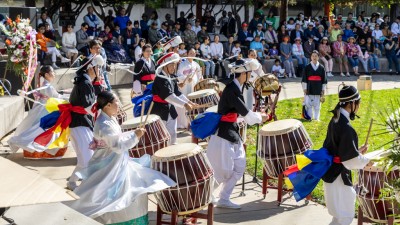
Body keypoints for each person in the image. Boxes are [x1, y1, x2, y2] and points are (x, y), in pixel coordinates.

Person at [67, 91, 176, 225]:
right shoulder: (104, 124)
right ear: (107, 105)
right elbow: (118, 147)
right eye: (116, 102)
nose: (119, 104)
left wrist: (132, 134)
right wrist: (136, 136)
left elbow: (117, 138)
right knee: (104, 191)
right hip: (109, 162)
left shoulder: (109, 118)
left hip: (115, 160)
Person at [207, 59, 267, 209]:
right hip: (223, 134)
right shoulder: (232, 90)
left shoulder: (235, 88)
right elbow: (247, 114)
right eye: (249, 74)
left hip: (231, 131)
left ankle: (223, 198)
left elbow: (238, 113)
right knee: (223, 172)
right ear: (244, 74)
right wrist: (261, 117)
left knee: (239, 166)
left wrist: (254, 116)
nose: (251, 76)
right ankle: (206, 194)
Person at [322, 84, 370, 225]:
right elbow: (351, 161)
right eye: (358, 103)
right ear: (351, 104)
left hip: (331, 174)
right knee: (344, 217)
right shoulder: (346, 127)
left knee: (338, 217)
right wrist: (367, 161)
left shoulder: (336, 119)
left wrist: (357, 150)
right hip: (338, 177)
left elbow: (338, 148)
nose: (359, 106)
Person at [7, 66, 69, 155]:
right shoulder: (47, 87)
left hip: (41, 108)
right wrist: (68, 98)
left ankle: (39, 149)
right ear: (47, 74)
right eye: (53, 72)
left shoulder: (44, 85)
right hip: (46, 109)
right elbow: (56, 97)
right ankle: (39, 149)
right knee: (42, 129)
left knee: (37, 129)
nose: (54, 74)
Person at [67, 56, 100, 190]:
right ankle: (87, 187)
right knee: (87, 158)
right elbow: (88, 106)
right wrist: (102, 114)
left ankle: (72, 182)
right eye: (97, 67)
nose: (98, 70)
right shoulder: (85, 82)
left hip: (80, 123)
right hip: (80, 123)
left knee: (85, 158)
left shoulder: (84, 81)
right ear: (90, 68)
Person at [151, 53, 196, 145]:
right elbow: (169, 96)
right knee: (162, 138)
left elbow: (177, 93)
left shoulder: (171, 77)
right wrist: (185, 104)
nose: (174, 67)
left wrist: (189, 101)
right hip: (159, 111)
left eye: (175, 64)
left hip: (170, 110)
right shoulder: (159, 78)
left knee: (173, 136)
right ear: (164, 66)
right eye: (171, 64)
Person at [176, 49, 202, 129]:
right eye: (190, 53)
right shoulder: (182, 64)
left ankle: (191, 122)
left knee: (192, 103)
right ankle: (182, 123)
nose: (192, 55)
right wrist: (186, 79)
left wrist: (200, 79)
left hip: (193, 86)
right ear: (187, 53)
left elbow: (199, 75)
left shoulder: (196, 64)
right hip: (185, 86)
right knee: (184, 103)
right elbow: (178, 76)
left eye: (194, 53)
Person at [301, 50, 327, 121]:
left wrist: (323, 89)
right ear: (311, 57)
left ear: (318, 57)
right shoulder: (307, 67)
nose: (314, 57)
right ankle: (309, 117)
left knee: (317, 104)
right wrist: (304, 88)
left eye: (316, 56)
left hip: (318, 87)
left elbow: (324, 80)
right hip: (309, 87)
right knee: (308, 103)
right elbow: (304, 79)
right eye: (313, 56)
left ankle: (316, 118)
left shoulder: (321, 67)